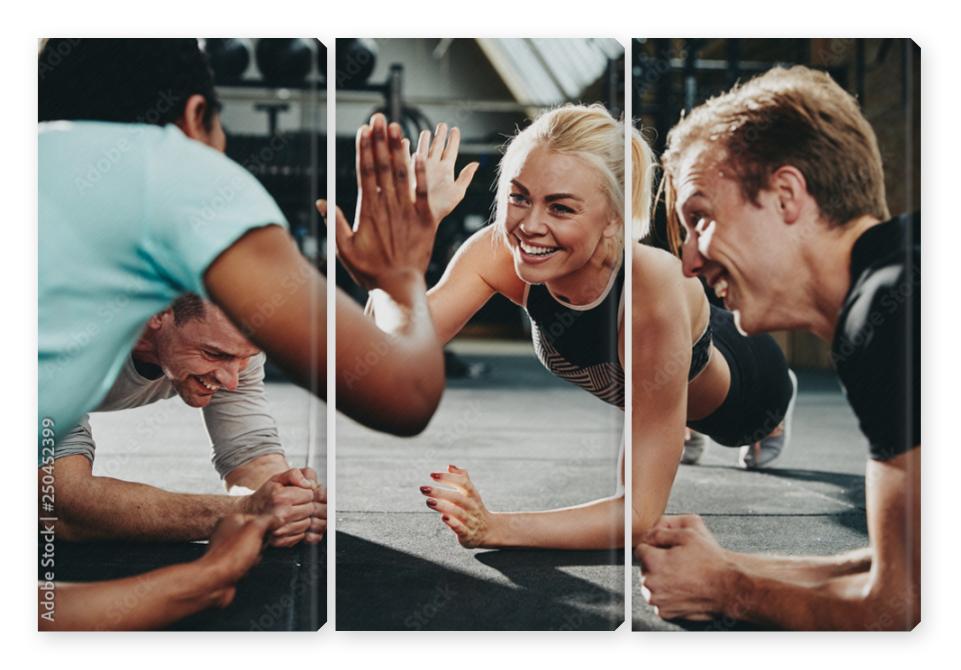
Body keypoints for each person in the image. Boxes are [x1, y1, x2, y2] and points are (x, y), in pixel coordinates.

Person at [38, 38, 442, 629]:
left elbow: (40, 604)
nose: (230, 372)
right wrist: (401, 276)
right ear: (198, 117)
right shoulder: (174, 169)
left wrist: (279, 500)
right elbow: (406, 394)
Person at [335, 105, 793, 551]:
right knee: (656, 401)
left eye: (561, 209)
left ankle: (725, 425)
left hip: (747, 394)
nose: (530, 226)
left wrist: (495, 527)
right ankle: (672, 425)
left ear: (614, 217)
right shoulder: (499, 251)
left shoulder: (647, 291)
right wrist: (395, 260)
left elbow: (637, 516)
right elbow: (386, 353)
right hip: (664, 361)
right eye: (519, 197)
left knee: (713, 413)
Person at [634, 65, 920, 630]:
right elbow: (923, 568)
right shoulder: (903, 278)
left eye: (701, 218)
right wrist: (729, 566)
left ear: (787, 195)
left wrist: (728, 589)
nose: (689, 261)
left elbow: (899, 613)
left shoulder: (888, 316)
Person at [50, 294, 324, 547]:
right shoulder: (59, 334)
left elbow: (252, 456)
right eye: (214, 354)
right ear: (157, 313)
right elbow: (61, 506)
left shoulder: (232, 343)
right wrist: (241, 512)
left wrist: (288, 501)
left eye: (244, 358)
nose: (232, 381)